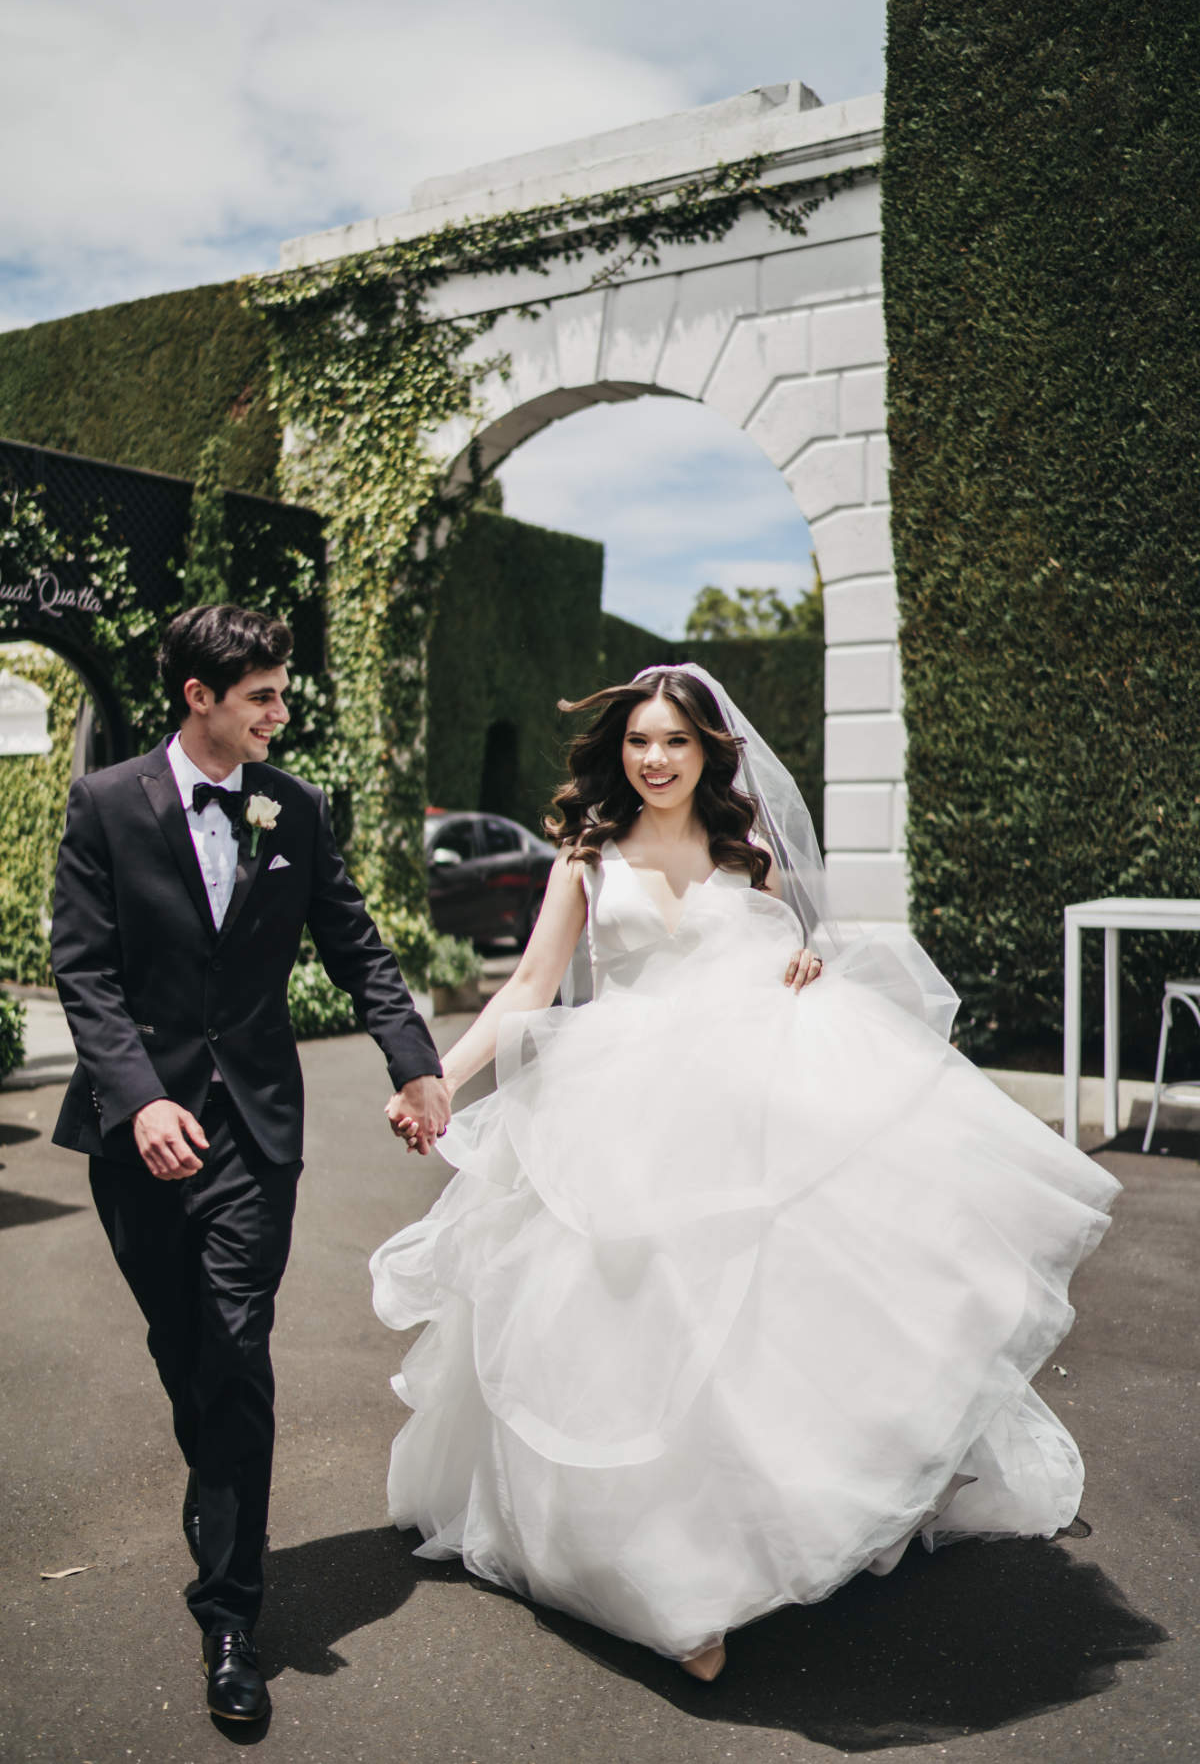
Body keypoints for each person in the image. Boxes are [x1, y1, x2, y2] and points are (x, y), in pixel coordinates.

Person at [370, 664, 1119, 1683]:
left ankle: (797, 1526)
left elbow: (798, 948)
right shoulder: (586, 857)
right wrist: (437, 1078)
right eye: (639, 739)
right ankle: (674, 1582)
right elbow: (529, 989)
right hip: (623, 1112)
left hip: (749, 1102)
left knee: (766, 1333)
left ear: (708, 751)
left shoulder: (748, 850)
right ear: (618, 751)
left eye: (674, 740)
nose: (655, 757)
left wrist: (808, 961)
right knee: (642, 1341)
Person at [51, 603, 450, 1723]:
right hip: (138, 1135)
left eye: (283, 691)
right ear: (200, 699)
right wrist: (139, 1104)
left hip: (254, 1134)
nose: (284, 710)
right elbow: (83, 972)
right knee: (185, 1345)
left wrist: (414, 1062)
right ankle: (217, 1483)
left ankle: (231, 1610)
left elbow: (358, 946)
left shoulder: (296, 808)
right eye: (265, 695)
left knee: (234, 1344)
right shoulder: (105, 805)